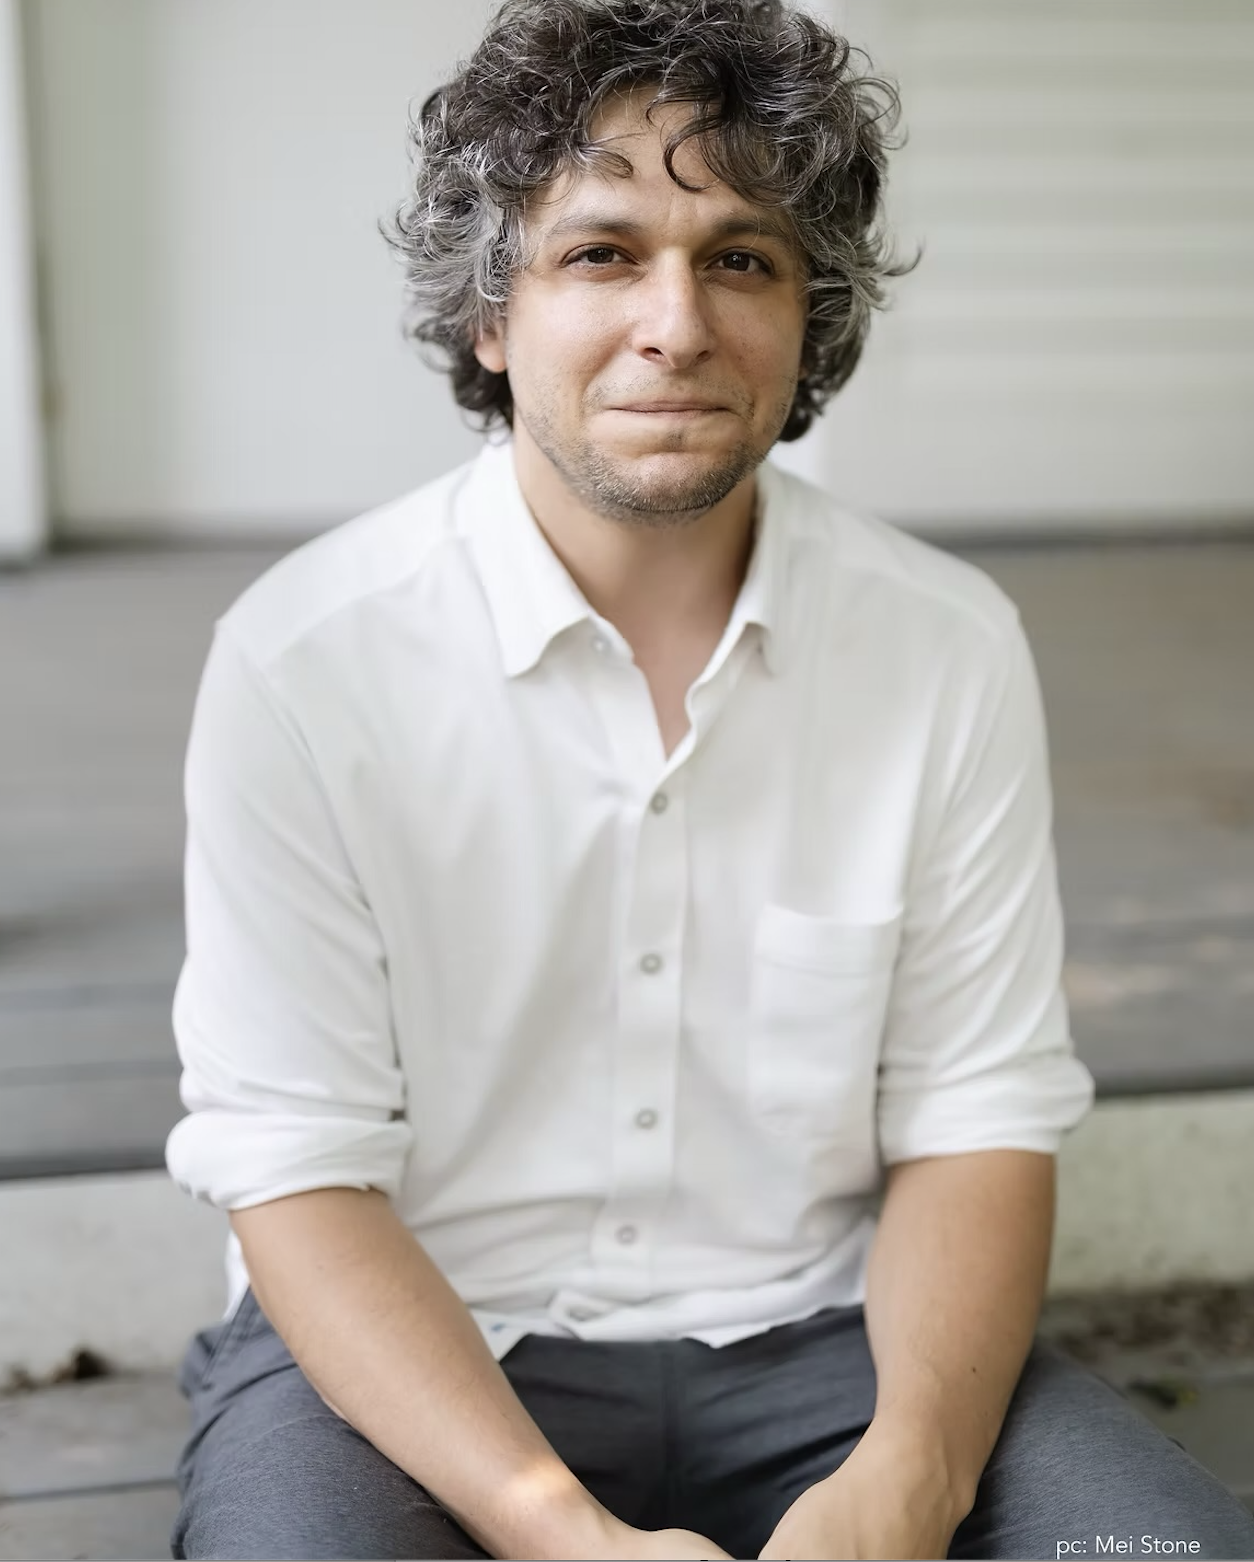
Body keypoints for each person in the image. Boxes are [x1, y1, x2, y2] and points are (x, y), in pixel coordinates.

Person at [164, 1, 1254, 1557]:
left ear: (811, 319)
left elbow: (974, 1120)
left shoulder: (941, 644)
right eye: (600, 253)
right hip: (412, 1360)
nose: (674, 324)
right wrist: (560, 1527)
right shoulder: (304, 661)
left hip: (843, 1348)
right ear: (490, 315)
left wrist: (906, 1480)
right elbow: (294, 1168)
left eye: (740, 257)